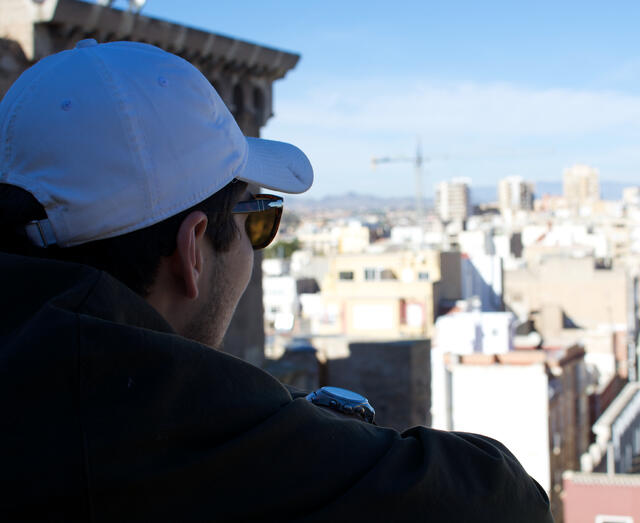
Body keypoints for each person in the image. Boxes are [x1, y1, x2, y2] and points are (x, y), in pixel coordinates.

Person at [0, 40, 553, 522]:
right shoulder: (151, 428)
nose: (257, 245)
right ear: (191, 250)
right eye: (259, 219)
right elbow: (501, 499)